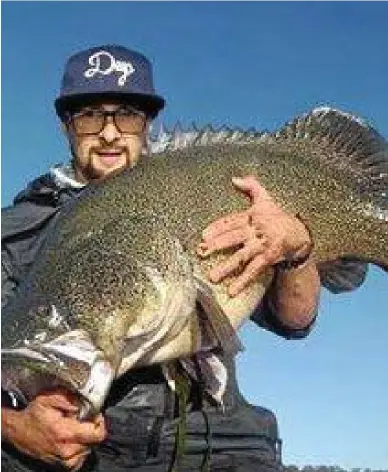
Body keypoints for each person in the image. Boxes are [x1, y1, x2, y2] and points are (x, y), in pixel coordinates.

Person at [1, 44, 321, 472]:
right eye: (90, 115)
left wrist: (297, 248)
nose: (110, 133)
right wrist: (11, 423)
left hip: (224, 440)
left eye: (128, 114)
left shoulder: (209, 192)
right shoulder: (15, 230)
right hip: (101, 447)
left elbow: (294, 320)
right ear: (66, 126)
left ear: (147, 124)